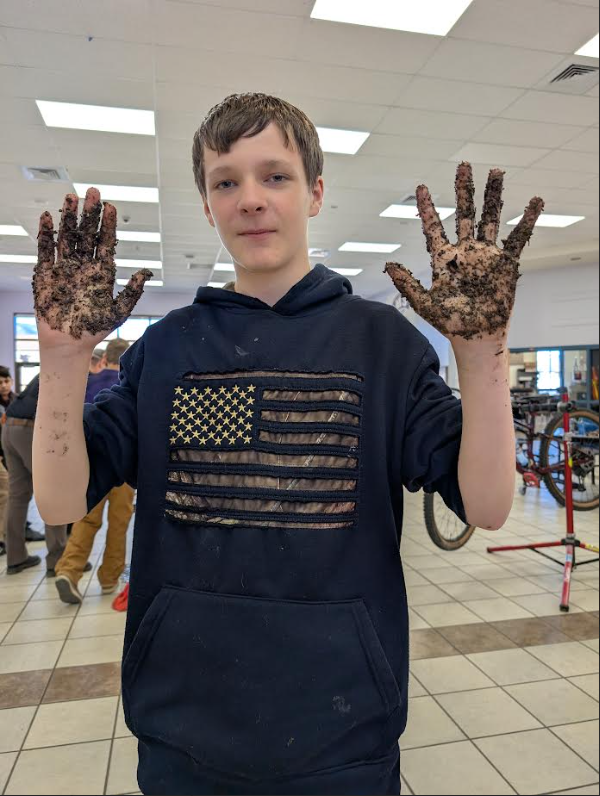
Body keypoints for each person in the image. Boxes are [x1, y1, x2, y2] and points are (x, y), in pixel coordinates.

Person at [32, 93, 544, 795]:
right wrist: (62, 361)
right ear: (206, 203)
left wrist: (483, 355)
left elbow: (485, 505)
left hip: (344, 735)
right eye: (225, 181)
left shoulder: (380, 345)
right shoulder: (167, 349)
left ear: (316, 193)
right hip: (183, 732)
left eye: (275, 176)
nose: (250, 199)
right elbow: (60, 498)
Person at [55, 339, 135, 603]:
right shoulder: (131, 386)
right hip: (122, 462)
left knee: (86, 517)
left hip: (87, 462)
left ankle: (69, 570)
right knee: (119, 522)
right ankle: (110, 578)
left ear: (103, 360)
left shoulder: (88, 382)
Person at [2, 374, 69, 574]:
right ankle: (58, 560)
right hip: (31, 428)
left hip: (9, 426)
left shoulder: (53, 363)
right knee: (54, 492)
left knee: (18, 495)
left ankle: (15, 558)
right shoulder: (74, 368)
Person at [0, 366, 16, 556]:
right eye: (0, 383)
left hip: (12, 454)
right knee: (5, 494)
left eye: (6, 381)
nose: (4, 386)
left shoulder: (15, 401)